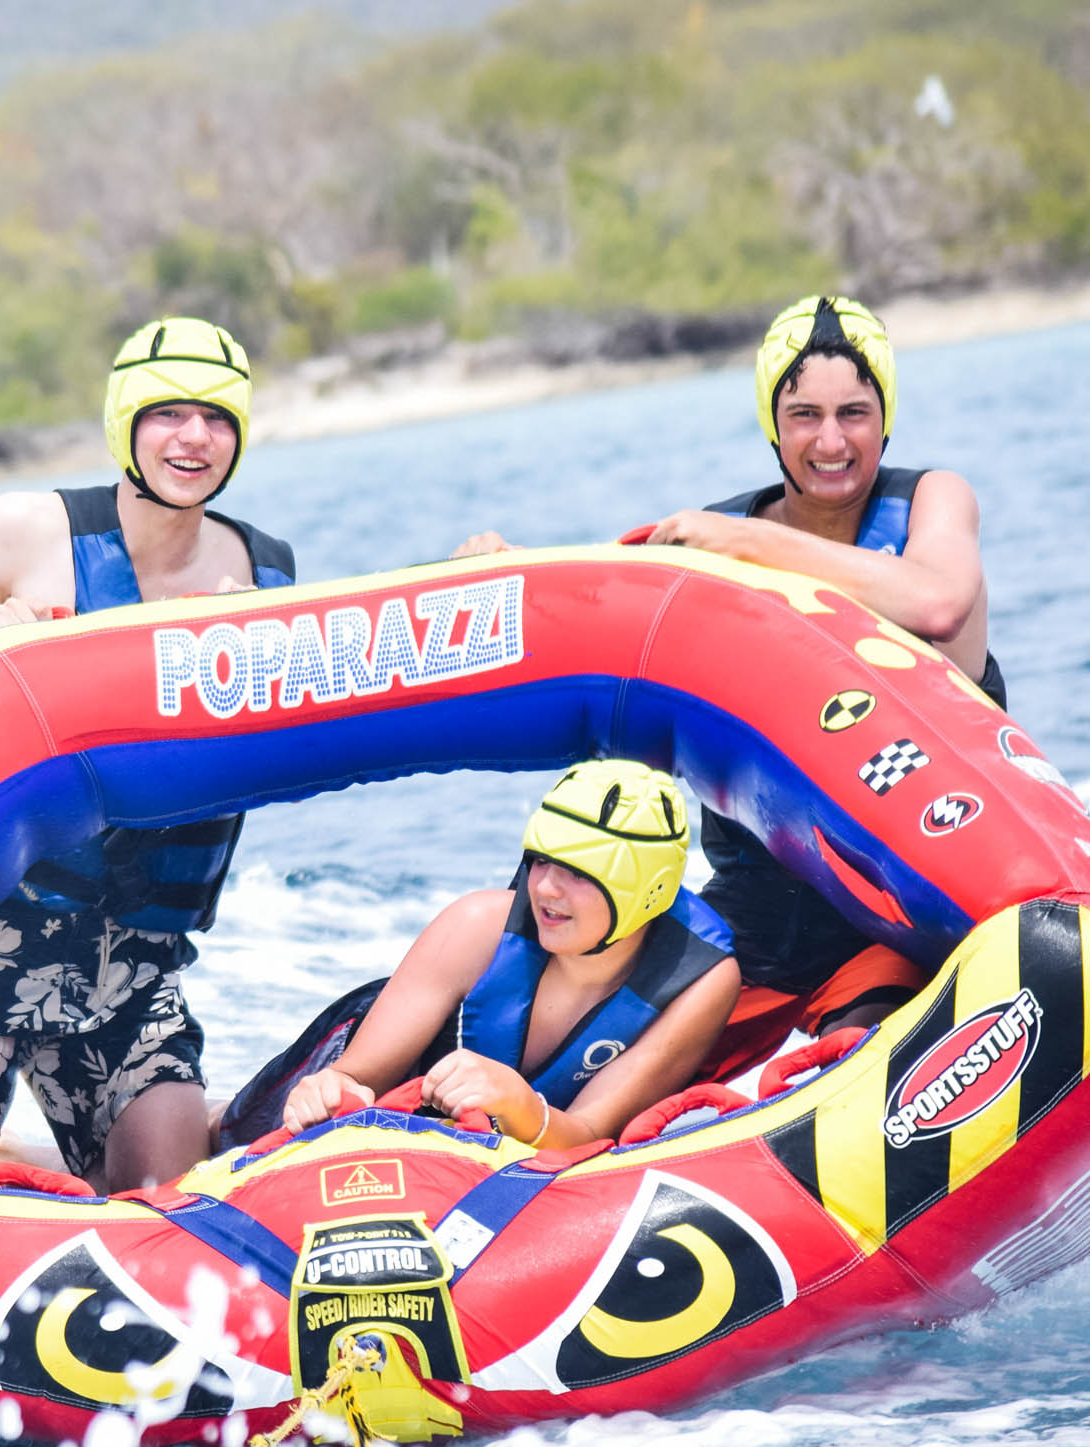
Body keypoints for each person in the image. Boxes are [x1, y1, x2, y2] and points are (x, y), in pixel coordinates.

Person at [0, 315, 297, 1195]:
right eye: (167, 413)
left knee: (174, 1207)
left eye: (218, 418)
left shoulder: (266, 578)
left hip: (132, 962)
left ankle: (42, 1175)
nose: (195, 437)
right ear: (124, 424)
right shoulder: (29, 532)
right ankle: (0, 1168)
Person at [651, 295, 1001, 1070]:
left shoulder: (932, 502)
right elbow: (603, 612)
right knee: (612, 1063)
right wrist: (503, 564)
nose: (832, 440)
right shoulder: (712, 534)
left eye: (855, 412)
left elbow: (938, 601)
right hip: (756, 916)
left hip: (901, 909)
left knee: (863, 1062)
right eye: (804, 413)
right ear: (773, 423)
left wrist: (749, 544)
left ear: (886, 416)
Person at [220, 761, 740, 1150]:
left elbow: (585, 1134)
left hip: (503, 1153)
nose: (547, 890)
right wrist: (330, 1089)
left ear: (648, 891)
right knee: (223, 1137)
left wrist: (516, 1103)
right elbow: (358, 1076)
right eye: (540, 862)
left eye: (580, 874)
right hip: (369, 1045)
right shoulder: (476, 927)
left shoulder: (699, 982)